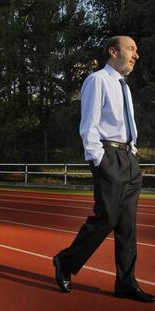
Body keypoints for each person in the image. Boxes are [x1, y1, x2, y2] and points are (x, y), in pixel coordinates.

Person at [52, 35, 154, 303]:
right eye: (131, 49)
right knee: (106, 217)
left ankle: (126, 283)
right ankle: (65, 260)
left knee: (127, 227)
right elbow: (89, 125)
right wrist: (99, 160)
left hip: (128, 159)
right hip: (108, 157)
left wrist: (132, 152)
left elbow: (125, 123)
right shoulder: (97, 80)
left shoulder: (124, 86)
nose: (135, 55)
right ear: (113, 51)